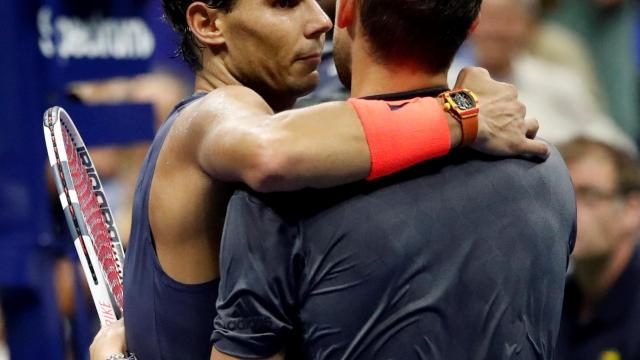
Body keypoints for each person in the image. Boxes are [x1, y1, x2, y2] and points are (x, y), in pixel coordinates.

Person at [92, 0, 548, 359]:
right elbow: (270, 152)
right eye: (285, 3)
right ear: (209, 25)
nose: (321, 20)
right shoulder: (207, 117)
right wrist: (464, 111)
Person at [210, 0, 576, 358]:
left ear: (348, 9)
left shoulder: (284, 191)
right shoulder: (547, 170)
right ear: (472, 24)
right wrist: (464, 110)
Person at [556, 137, 640, 360]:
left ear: (632, 210)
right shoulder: (556, 304)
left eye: (589, 195)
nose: (570, 210)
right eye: (564, 194)